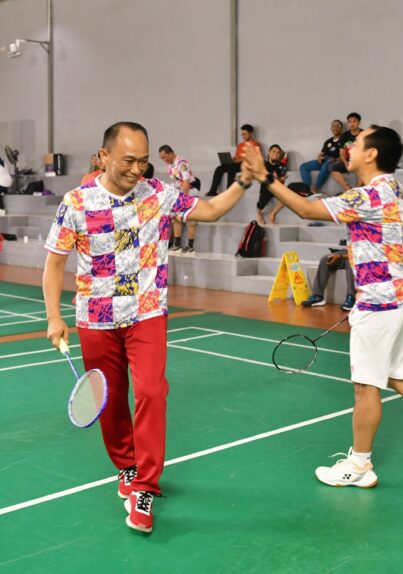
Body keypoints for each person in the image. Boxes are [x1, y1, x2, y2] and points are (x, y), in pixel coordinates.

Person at [42, 122, 256, 533]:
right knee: (111, 398)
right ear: (103, 157)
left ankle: (146, 484)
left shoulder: (159, 194)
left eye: (144, 160)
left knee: (153, 391)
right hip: (95, 316)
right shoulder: (77, 202)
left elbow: (208, 210)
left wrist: (244, 182)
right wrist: (54, 316)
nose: (138, 169)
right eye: (129, 160)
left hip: (147, 310)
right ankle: (125, 465)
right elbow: (54, 262)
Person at [241, 125, 403, 488]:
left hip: (381, 305)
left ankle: (359, 465)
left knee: (365, 387)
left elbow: (305, 209)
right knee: (397, 375)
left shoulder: (367, 196)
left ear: (371, 155)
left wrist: (264, 177)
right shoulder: (398, 189)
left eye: (357, 142)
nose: (349, 147)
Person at [158, 145, 200, 255]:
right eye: (162, 158)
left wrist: (183, 198)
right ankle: (177, 245)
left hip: (189, 194)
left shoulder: (181, 163)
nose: (164, 160)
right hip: (178, 193)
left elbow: (186, 182)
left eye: (164, 157)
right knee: (176, 219)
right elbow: (176, 182)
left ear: (170, 153)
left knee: (190, 221)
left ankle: (190, 247)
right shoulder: (170, 165)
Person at [205, 124, 260, 196]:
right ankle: (212, 191)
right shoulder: (240, 145)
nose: (243, 136)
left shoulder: (255, 144)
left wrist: (241, 160)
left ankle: (229, 191)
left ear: (251, 134)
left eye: (245, 134)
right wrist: (231, 159)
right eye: (242, 134)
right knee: (219, 168)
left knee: (232, 167)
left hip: (247, 165)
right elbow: (236, 156)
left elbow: (254, 158)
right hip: (236, 164)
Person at [300, 119, 344, 195]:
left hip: (334, 161)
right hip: (324, 160)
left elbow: (344, 155)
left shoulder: (344, 139)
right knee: (303, 167)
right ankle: (308, 189)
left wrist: (336, 159)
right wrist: (319, 157)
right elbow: (321, 153)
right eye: (333, 126)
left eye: (338, 126)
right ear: (331, 128)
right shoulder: (328, 141)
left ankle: (315, 189)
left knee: (327, 163)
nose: (335, 128)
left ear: (341, 128)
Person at [255, 144, 288, 225]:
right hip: (266, 187)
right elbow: (259, 178)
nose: (275, 154)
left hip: (277, 188)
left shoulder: (282, 166)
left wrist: (278, 179)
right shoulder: (263, 164)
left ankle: (272, 213)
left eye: (278, 153)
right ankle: (259, 212)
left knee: (287, 197)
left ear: (280, 155)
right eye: (273, 152)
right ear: (269, 152)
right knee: (261, 202)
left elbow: (283, 181)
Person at [330, 113, 363, 192]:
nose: (352, 124)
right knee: (332, 167)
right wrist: (345, 162)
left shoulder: (364, 134)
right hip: (348, 161)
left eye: (354, 121)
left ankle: (358, 190)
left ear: (359, 122)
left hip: (360, 161)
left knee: (362, 167)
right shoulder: (345, 136)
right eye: (350, 122)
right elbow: (342, 152)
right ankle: (347, 189)